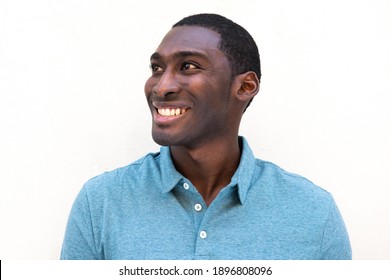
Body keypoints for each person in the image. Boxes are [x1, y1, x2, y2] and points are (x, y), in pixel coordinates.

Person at [60, 13, 351, 260]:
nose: (161, 87)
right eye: (156, 68)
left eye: (188, 66)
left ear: (246, 86)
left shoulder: (313, 212)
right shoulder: (101, 202)